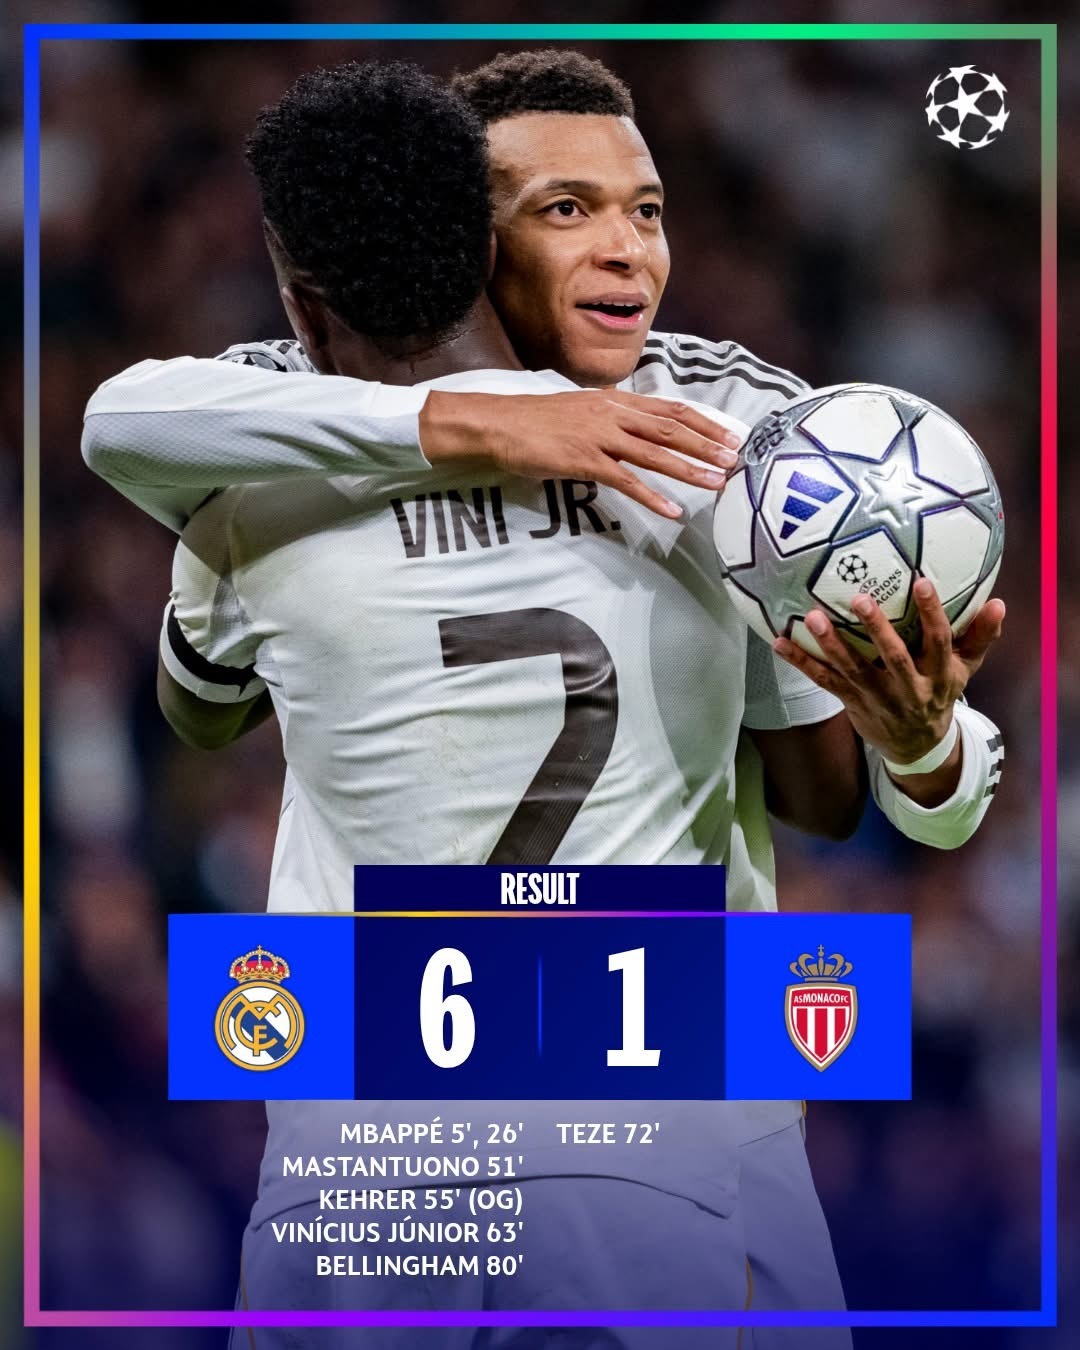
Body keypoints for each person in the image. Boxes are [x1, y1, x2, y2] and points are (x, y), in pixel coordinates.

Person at [83, 53, 1005, 1347]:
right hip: (648, 1124)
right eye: (566, 209)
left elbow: (851, 795)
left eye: (649, 209)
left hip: (394, 1110)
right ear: (473, 247)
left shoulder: (729, 426)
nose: (626, 247)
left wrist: (924, 741)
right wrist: (488, 421)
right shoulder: (704, 443)